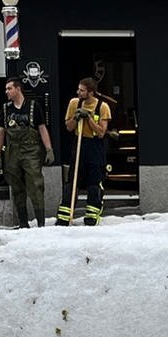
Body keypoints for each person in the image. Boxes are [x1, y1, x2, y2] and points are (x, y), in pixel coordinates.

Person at [0, 77, 53, 228]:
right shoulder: (6, 108)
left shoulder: (33, 106)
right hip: (12, 152)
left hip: (31, 151)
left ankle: (40, 223)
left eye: (9, 88)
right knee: (17, 188)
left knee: (35, 185)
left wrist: (49, 149)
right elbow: (1, 132)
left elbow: (42, 128)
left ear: (18, 89)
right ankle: (23, 223)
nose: (6, 91)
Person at [62, 77, 112, 227]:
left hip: (95, 146)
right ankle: (65, 214)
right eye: (78, 89)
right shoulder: (73, 103)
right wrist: (76, 118)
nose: (78, 92)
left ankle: (92, 215)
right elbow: (69, 127)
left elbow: (102, 132)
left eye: (82, 90)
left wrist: (88, 118)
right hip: (79, 144)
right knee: (73, 181)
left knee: (94, 182)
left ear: (90, 92)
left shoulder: (103, 107)